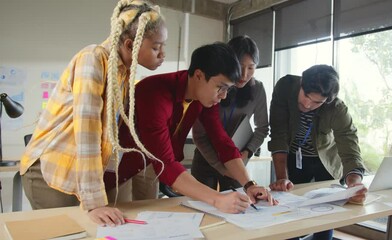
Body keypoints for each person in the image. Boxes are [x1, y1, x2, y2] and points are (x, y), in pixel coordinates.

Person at [20, 0, 167, 226]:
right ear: (130, 45)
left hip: (78, 176)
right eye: (156, 47)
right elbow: (87, 133)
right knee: (69, 232)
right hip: (51, 174)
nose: (162, 54)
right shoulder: (93, 58)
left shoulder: (123, 73)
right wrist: (94, 202)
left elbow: (108, 138)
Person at [104, 42, 276, 224]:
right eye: (221, 87)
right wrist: (217, 199)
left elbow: (222, 141)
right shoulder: (155, 92)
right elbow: (167, 163)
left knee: (148, 217)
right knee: (118, 219)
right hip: (120, 164)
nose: (224, 96)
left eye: (228, 89)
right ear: (199, 75)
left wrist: (249, 185)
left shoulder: (202, 98)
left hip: (150, 163)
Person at [268, 64, 367, 240]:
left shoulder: (337, 108)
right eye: (306, 96)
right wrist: (282, 177)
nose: (307, 104)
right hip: (293, 156)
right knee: (289, 208)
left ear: (327, 100)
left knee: (326, 214)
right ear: (301, 84)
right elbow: (278, 133)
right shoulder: (285, 87)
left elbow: (348, 142)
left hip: (325, 160)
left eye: (317, 102)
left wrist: (354, 182)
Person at [191, 35, 268, 191]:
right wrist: (222, 167)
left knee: (240, 205)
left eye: (251, 67)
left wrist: (247, 152)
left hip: (237, 158)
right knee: (203, 206)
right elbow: (199, 135)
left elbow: (262, 128)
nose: (244, 74)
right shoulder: (212, 88)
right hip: (207, 158)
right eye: (240, 66)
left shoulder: (258, 89)